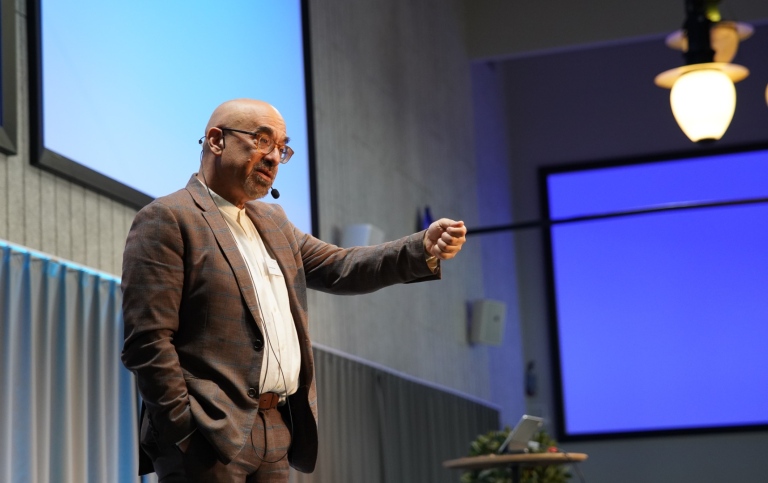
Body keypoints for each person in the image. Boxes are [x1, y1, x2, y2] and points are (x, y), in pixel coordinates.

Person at [121, 98, 467, 482]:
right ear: (216, 141)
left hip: (276, 427)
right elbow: (149, 342)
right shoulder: (168, 219)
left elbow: (342, 267)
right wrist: (184, 430)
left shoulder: (274, 223)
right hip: (207, 434)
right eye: (261, 141)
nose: (273, 157)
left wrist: (421, 248)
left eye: (281, 148)